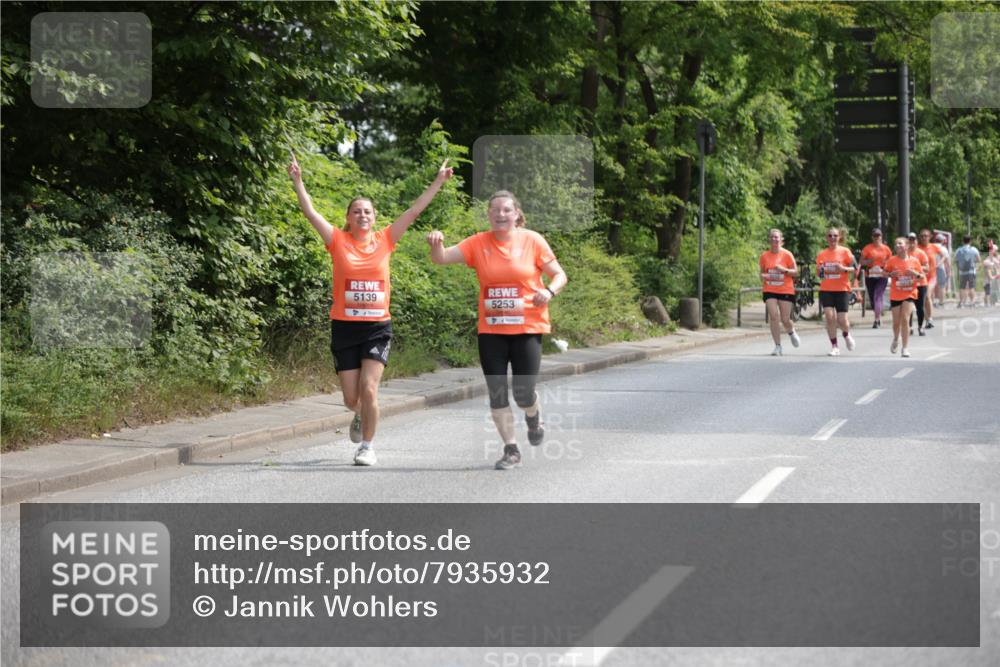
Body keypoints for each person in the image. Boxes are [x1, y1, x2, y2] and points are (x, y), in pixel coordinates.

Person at [289, 156, 453, 466]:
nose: (362, 215)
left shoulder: (386, 239)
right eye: (357, 212)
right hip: (345, 327)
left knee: (369, 388)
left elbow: (415, 210)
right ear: (348, 218)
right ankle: (360, 415)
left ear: (374, 217)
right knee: (352, 400)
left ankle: (367, 446)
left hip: (377, 326)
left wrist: (439, 181)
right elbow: (310, 213)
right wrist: (298, 181)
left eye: (367, 211)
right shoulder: (337, 240)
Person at [427, 190, 568, 470]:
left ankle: (533, 414)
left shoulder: (532, 240)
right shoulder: (478, 243)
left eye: (506, 210)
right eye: (495, 211)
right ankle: (511, 449)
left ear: (517, 214)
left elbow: (559, 274)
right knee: (497, 392)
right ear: (489, 215)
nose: (500, 215)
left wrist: (549, 292)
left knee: (524, 392)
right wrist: (435, 243)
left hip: (527, 326)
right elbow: (441, 258)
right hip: (491, 329)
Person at [758, 229, 801, 355]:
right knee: (773, 316)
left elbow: (795, 272)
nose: (774, 239)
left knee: (785, 319)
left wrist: (784, 270)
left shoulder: (787, 254)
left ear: (781, 240)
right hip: (770, 289)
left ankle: (791, 332)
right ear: (769, 239)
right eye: (772, 237)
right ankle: (778, 346)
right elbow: (761, 273)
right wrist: (764, 276)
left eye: (776, 237)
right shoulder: (764, 256)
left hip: (785, 289)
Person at [816, 227, 857, 356]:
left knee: (842, 320)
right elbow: (819, 275)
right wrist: (821, 270)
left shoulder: (845, 252)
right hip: (826, 289)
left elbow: (855, 268)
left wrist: (843, 268)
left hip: (842, 289)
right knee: (829, 317)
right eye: (830, 236)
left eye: (835, 236)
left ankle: (846, 334)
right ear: (826, 238)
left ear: (839, 237)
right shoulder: (822, 254)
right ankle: (834, 346)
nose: (832, 238)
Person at [884, 237, 923, 358]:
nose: (897, 246)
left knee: (905, 319)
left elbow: (921, 276)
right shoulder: (892, 260)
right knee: (896, 322)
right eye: (896, 244)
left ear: (906, 246)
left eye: (900, 244)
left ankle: (905, 348)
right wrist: (890, 274)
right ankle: (896, 338)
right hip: (896, 293)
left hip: (909, 293)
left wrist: (915, 274)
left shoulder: (914, 261)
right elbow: (883, 273)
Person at [860, 228, 892, 328]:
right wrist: (869, 261)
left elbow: (891, 261)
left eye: (878, 236)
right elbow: (861, 262)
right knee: (873, 298)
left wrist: (885, 264)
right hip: (870, 274)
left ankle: (877, 320)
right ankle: (878, 313)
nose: (877, 238)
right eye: (875, 236)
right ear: (872, 237)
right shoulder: (867, 248)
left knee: (877, 296)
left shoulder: (886, 249)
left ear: (881, 237)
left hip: (882, 275)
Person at [906, 233, 930, 336]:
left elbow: (927, 268)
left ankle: (921, 327)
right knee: (908, 307)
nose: (912, 243)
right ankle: (909, 327)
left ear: (916, 241)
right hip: (908, 284)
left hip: (920, 283)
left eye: (913, 241)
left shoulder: (921, 253)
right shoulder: (904, 253)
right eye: (909, 241)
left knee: (920, 306)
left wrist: (915, 267)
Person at [918, 229, 943, 328]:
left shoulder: (934, 247)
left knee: (927, 296)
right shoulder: (918, 248)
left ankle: (930, 319)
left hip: (932, 276)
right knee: (922, 299)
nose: (924, 238)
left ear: (930, 237)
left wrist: (939, 263)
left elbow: (944, 255)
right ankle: (927, 318)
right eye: (922, 236)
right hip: (921, 277)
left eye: (926, 236)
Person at [954, 235, 981, 307]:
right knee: (972, 286)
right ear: (970, 241)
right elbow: (979, 260)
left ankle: (961, 302)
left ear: (963, 241)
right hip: (971, 271)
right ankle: (972, 302)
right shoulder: (974, 249)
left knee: (962, 287)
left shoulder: (959, 250)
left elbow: (956, 260)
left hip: (962, 272)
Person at [933, 233, 950, 307]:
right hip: (940, 268)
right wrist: (949, 271)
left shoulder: (931, 247)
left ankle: (931, 302)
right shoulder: (943, 248)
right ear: (942, 240)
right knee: (942, 286)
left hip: (931, 268)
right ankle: (941, 302)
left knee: (932, 286)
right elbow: (947, 261)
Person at [983, 240, 999, 307]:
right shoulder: (986, 261)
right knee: (988, 293)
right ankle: (987, 304)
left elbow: (997, 266)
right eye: (994, 250)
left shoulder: (996, 259)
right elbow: (988, 269)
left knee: (993, 292)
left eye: (995, 251)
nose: (995, 252)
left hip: (994, 281)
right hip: (988, 281)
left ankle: (991, 303)